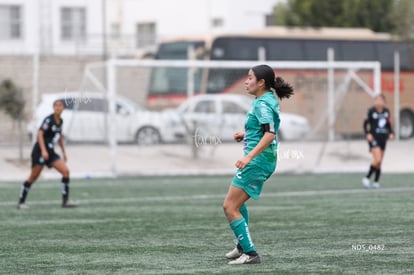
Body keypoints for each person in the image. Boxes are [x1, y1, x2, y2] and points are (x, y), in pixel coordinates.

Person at [223, 64, 294, 265]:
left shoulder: (262, 103)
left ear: (261, 82)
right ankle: (241, 246)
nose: (246, 81)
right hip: (264, 159)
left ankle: (250, 253)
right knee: (237, 203)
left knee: (229, 206)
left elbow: (270, 134)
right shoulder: (267, 99)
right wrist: (245, 134)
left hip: (258, 161)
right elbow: (266, 128)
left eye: (250, 77)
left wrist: (248, 157)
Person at [17, 99, 78, 209]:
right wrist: (44, 150)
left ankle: (65, 201)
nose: (58, 108)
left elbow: (59, 137)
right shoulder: (48, 120)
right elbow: (40, 134)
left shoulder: (61, 121)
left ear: (63, 108)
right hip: (40, 151)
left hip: (50, 152)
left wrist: (64, 152)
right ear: (53, 107)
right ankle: (21, 202)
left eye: (60, 106)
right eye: (56, 106)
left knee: (66, 172)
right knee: (33, 177)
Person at [362, 94, 394, 189]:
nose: (379, 102)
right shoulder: (371, 111)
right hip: (374, 138)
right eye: (377, 100)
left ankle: (376, 182)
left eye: (381, 100)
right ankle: (367, 178)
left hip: (383, 138)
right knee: (377, 159)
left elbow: (388, 124)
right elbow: (365, 124)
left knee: (379, 162)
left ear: (384, 102)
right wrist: (368, 133)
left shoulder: (386, 112)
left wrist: (391, 133)